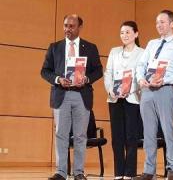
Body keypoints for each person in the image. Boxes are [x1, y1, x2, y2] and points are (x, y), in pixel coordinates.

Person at [41, 14, 103, 180]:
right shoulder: (54, 47)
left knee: (80, 135)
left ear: (79, 27)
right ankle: (61, 172)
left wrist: (87, 79)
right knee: (61, 134)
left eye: (71, 26)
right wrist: (58, 79)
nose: (67, 29)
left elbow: (98, 70)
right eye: (65, 25)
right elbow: (45, 71)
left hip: (82, 96)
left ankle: (78, 172)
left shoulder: (90, 47)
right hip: (61, 95)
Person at [134, 10, 173, 180]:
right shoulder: (151, 44)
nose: (159, 25)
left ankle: (171, 168)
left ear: (172, 23)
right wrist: (141, 79)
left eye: (163, 22)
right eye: (157, 23)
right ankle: (149, 170)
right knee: (148, 132)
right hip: (147, 90)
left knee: (168, 130)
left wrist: (163, 80)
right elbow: (141, 64)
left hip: (165, 90)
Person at [104, 21, 144, 180]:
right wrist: (111, 90)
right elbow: (108, 73)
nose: (124, 35)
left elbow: (142, 75)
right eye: (122, 32)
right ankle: (118, 173)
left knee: (131, 137)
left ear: (136, 34)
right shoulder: (114, 52)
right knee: (117, 137)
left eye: (128, 32)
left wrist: (129, 89)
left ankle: (129, 173)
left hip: (132, 98)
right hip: (115, 99)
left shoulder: (142, 52)